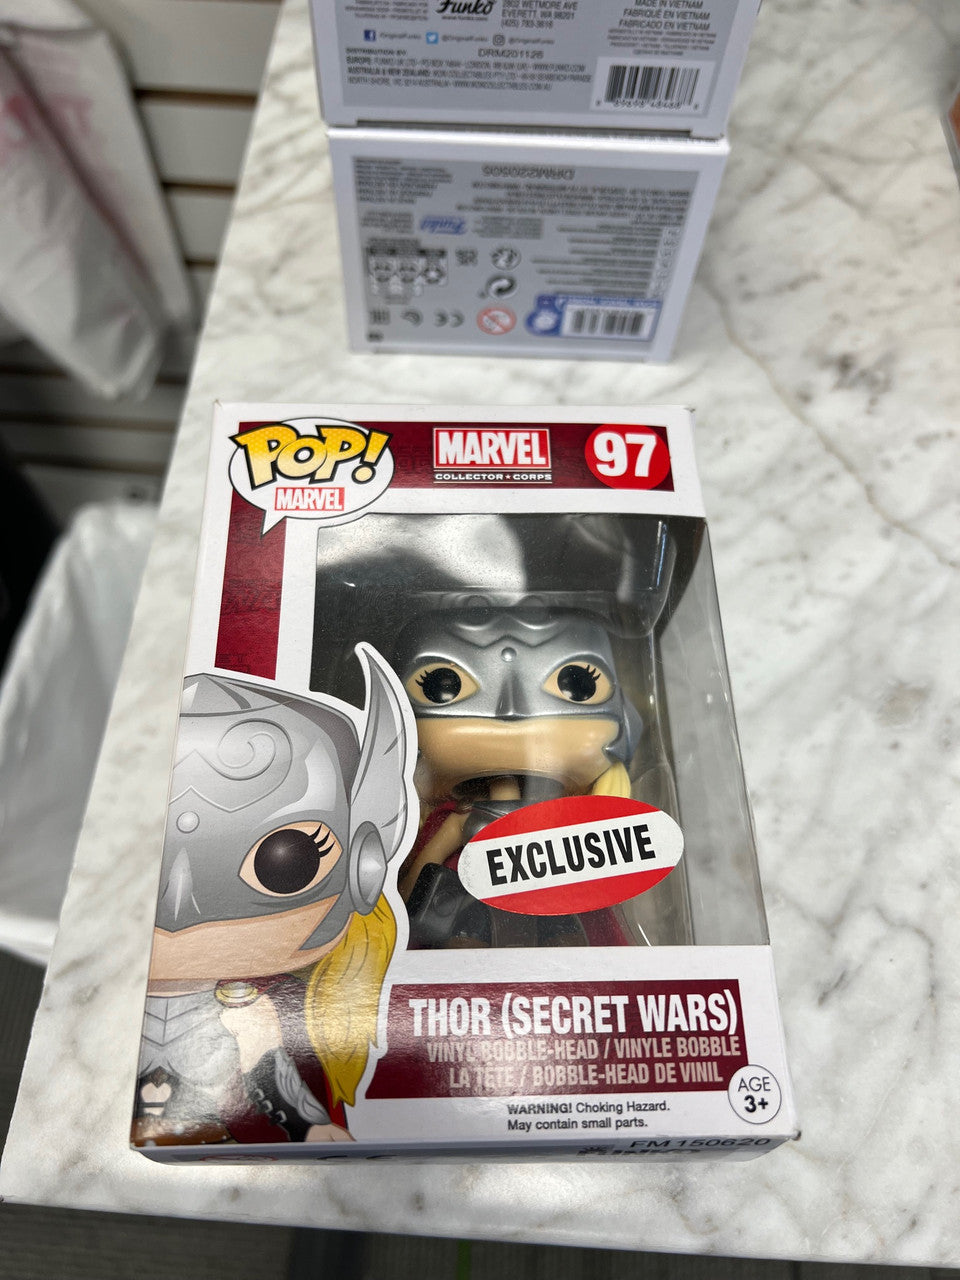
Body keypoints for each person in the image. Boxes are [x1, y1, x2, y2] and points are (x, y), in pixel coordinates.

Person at [132, 645, 413, 1147]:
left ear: (361, 867)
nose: (180, 909)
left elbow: (272, 1079)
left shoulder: (246, 1013)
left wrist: (309, 1125)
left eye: (288, 860)